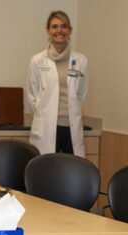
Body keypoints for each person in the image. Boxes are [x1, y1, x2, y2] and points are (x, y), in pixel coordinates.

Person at [27, 10, 88, 156]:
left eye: (63, 26)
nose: (59, 30)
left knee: (73, 171)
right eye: (54, 26)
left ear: (70, 30)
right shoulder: (37, 60)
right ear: (48, 30)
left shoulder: (81, 61)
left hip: (71, 128)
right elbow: (32, 96)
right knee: (46, 170)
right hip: (47, 128)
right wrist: (44, 116)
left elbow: (82, 93)